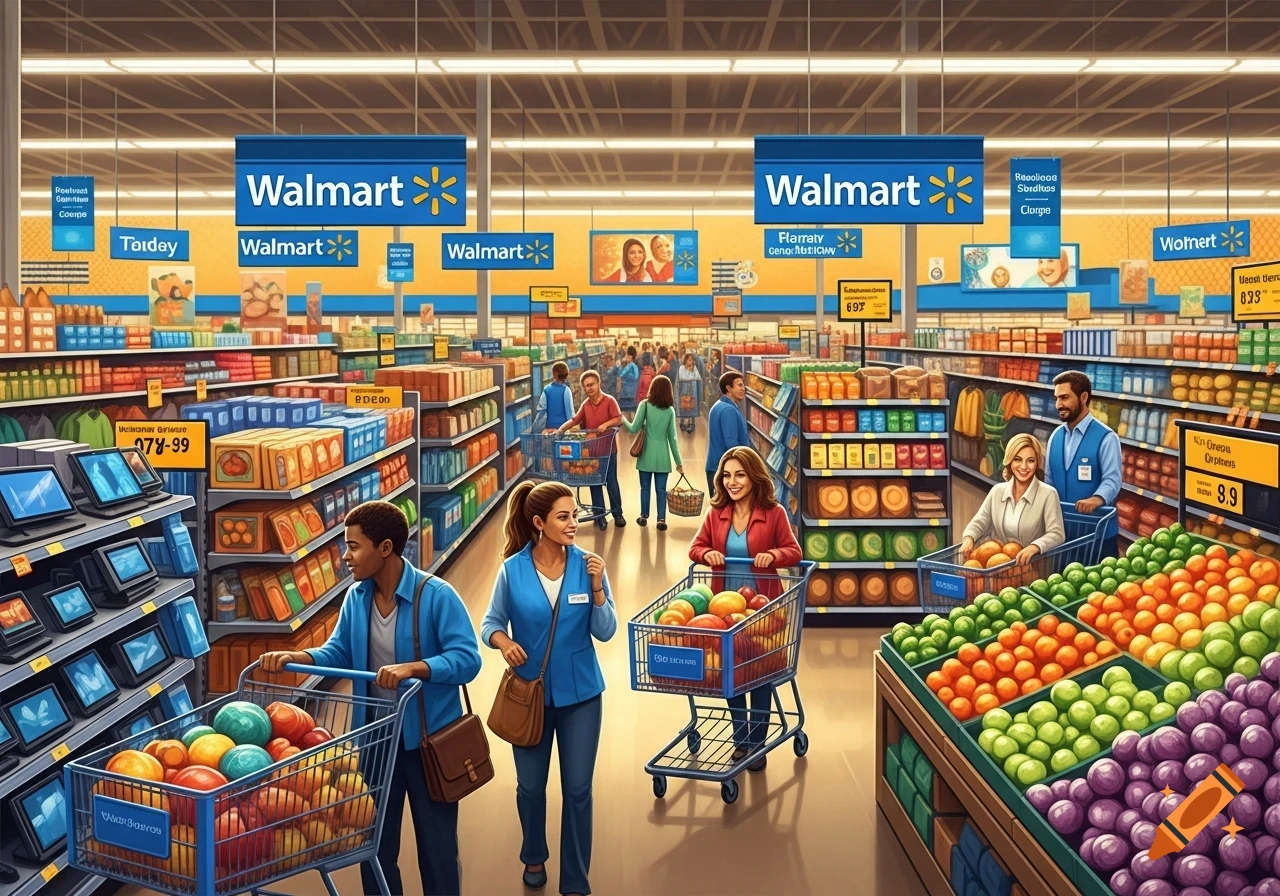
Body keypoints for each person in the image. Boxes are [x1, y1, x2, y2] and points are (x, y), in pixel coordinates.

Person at [259, 501, 480, 896]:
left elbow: (467, 660)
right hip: (377, 743)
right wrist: (300, 657)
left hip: (429, 744)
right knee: (372, 847)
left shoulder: (437, 596)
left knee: (437, 848)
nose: (346, 556)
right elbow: (339, 652)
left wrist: (415, 668)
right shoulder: (356, 598)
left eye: (354, 546)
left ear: (385, 548)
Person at [480, 481, 616, 896]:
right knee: (531, 787)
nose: (574, 523)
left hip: (581, 697)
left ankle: (575, 879)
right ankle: (533, 852)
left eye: (575, 515)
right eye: (564, 516)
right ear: (539, 523)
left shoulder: (587, 565)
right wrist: (504, 643)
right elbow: (490, 623)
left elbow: (606, 630)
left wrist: (597, 586)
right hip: (529, 696)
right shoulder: (513, 570)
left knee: (578, 789)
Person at [688, 447, 802, 771]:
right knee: (731, 672)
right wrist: (707, 554)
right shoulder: (716, 513)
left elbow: (794, 551)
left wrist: (775, 556)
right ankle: (741, 740)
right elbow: (695, 548)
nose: (732, 482)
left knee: (759, 674)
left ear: (754, 477)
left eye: (739, 475)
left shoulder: (774, 513)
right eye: (727, 475)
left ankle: (757, 742)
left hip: (764, 607)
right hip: (725, 606)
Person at [1046, 370, 1122, 557]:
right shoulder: (1055, 437)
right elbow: (1049, 479)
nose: (1058, 405)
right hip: (1063, 535)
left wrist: (1096, 499)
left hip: (1098, 535)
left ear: (1083, 397)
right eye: (1056, 398)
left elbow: (1112, 479)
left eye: (1064, 398)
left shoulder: (1106, 437)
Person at [961, 433, 1066, 566]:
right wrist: (969, 538)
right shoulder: (997, 491)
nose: (1024, 466)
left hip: (1031, 567)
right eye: (1018, 459)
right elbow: (980, 521)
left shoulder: (1048, 494)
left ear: (1037, 463)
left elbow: (1057, 534)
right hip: (996, 565)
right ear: (1010, 461)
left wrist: (1035, 547)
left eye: (1030, 460)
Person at [557, 369, 625, 529]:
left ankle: (618, 514)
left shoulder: (610, 401)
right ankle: (599, 516)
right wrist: (561, 430)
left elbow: (618, 418)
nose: (589, 388)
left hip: (608, 450)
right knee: (594, 483)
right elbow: (575, 420)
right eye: (586, 386)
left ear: (598, 383)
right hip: (592, 452)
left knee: (611, 482)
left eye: (591, 384)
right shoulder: (585, 405)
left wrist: (605, 425)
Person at [622, 374, 684, 530]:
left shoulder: (645, 405)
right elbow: (673, 439)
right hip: (663, 457)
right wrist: (679, 463)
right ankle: (661, 519)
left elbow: (633, 428)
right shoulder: (670, 411)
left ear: (653, 389)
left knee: (645, 488)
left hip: (646, 456)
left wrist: (621, 418)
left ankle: (644, 516)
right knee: (661, 490)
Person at [705, 369, 751, 500]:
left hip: (716, 467)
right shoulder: (728, 410)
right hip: (725, 471)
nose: (743, 389)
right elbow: (732, 446)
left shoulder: (719, 405)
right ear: (728, 388)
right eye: (739, 385)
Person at [537, 360, 575, 432]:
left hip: (549, 430)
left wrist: (536, 430)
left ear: (554, 374)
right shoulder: (566, 390)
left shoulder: (546, 389)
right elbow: (570, 414)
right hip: (563, 430)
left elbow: (541, 412)